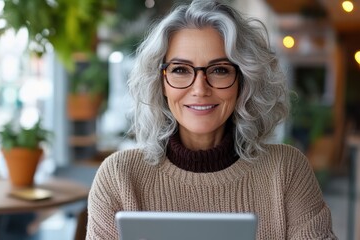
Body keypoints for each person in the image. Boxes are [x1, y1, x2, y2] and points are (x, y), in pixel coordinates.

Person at [86, 1, 337, 239]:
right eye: (180, 70)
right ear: (160, 82)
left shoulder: (286, 170)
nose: (199, 89)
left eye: (219, 70)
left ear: (243, 81)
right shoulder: (119, 176)